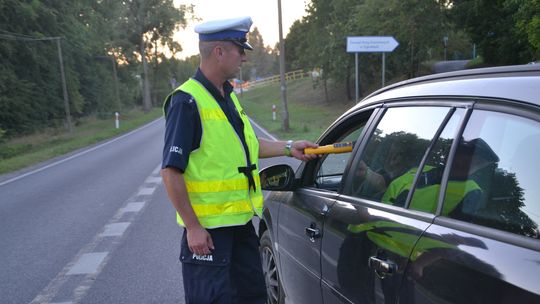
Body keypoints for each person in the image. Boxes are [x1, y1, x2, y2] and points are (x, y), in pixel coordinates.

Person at [160, 16, 318, 304]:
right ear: (219, 52)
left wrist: (290, 147)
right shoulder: (187, 101)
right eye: (239, 49)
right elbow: (171, 172)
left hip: (242, 223)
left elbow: (248, 147)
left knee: (253, 296)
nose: (244, 57)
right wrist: (194, 227)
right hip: (208, 233)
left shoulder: (227, 96)